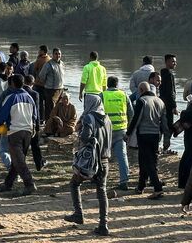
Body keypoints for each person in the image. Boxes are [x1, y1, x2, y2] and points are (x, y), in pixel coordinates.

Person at [63, 94, 112, 236]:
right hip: (104, 160)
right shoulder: (107, 119)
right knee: (101, 191)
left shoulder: (89, 118)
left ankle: (78, 214)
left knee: (74, 183)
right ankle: (103, 224)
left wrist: (81, 130)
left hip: (90, 161)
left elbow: (85, 136)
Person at [0, 74, 37, 195]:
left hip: (15, 132)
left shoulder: (11, 98)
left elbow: (0, 116)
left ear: (12, 84)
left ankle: (29, 183)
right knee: (17, 160)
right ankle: (8, 183)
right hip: (28, 132)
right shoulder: (29, 97)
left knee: (19, 161)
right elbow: (35, 116)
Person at [126, 81, 167, 199]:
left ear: (141, 90)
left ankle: (158, 188)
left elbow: (136, 119)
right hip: (156, 135)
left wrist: (128, 134)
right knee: (149, 160)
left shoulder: (142, 101)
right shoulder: (160, 101)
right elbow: (164, 121)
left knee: (147, 161)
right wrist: (166, 137)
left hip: (144, 134)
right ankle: (141, 186)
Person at [102, 76, 134, 190]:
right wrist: (129, 130)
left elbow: (97, 113)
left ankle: (100, 179)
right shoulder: (123, 95)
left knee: (103, 155)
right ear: (117, 84)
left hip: (106, 130)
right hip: (121, 130)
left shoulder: (102, 95)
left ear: (107, 84)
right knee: (122, 156)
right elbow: (131, 114)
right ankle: (124, 181)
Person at [22, 75, 46, 171]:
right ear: (33, 83)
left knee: (23, 147)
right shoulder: (34, 94)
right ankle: (39, 164)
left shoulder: (20, 92)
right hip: (31, 122)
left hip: (22, 121)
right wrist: (37, 125)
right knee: (35, 145)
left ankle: (20, 165)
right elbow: (37, 110)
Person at [159, 54, 179, 155]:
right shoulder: (169, 75)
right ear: (167, 62)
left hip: (161, 104)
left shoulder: (161, 74)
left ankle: (159, 147)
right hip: (168, 106)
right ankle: (165, 148)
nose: (175, 63)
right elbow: (171, 92)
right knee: (169, 127)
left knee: (161, 126)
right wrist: (174, 106)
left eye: (175, 61)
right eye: (173, 61)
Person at [39, 47, 64, 121]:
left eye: (59, 54)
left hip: (60, 89)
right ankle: (48, 126)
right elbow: (41, 76)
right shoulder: (48, 64)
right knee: (50, 110)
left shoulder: (62, 63)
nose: (58, 55)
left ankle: (56, 126)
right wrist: (47, 84)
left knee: (59, 109)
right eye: (56, 54)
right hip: (50, 90)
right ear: (52, 55)